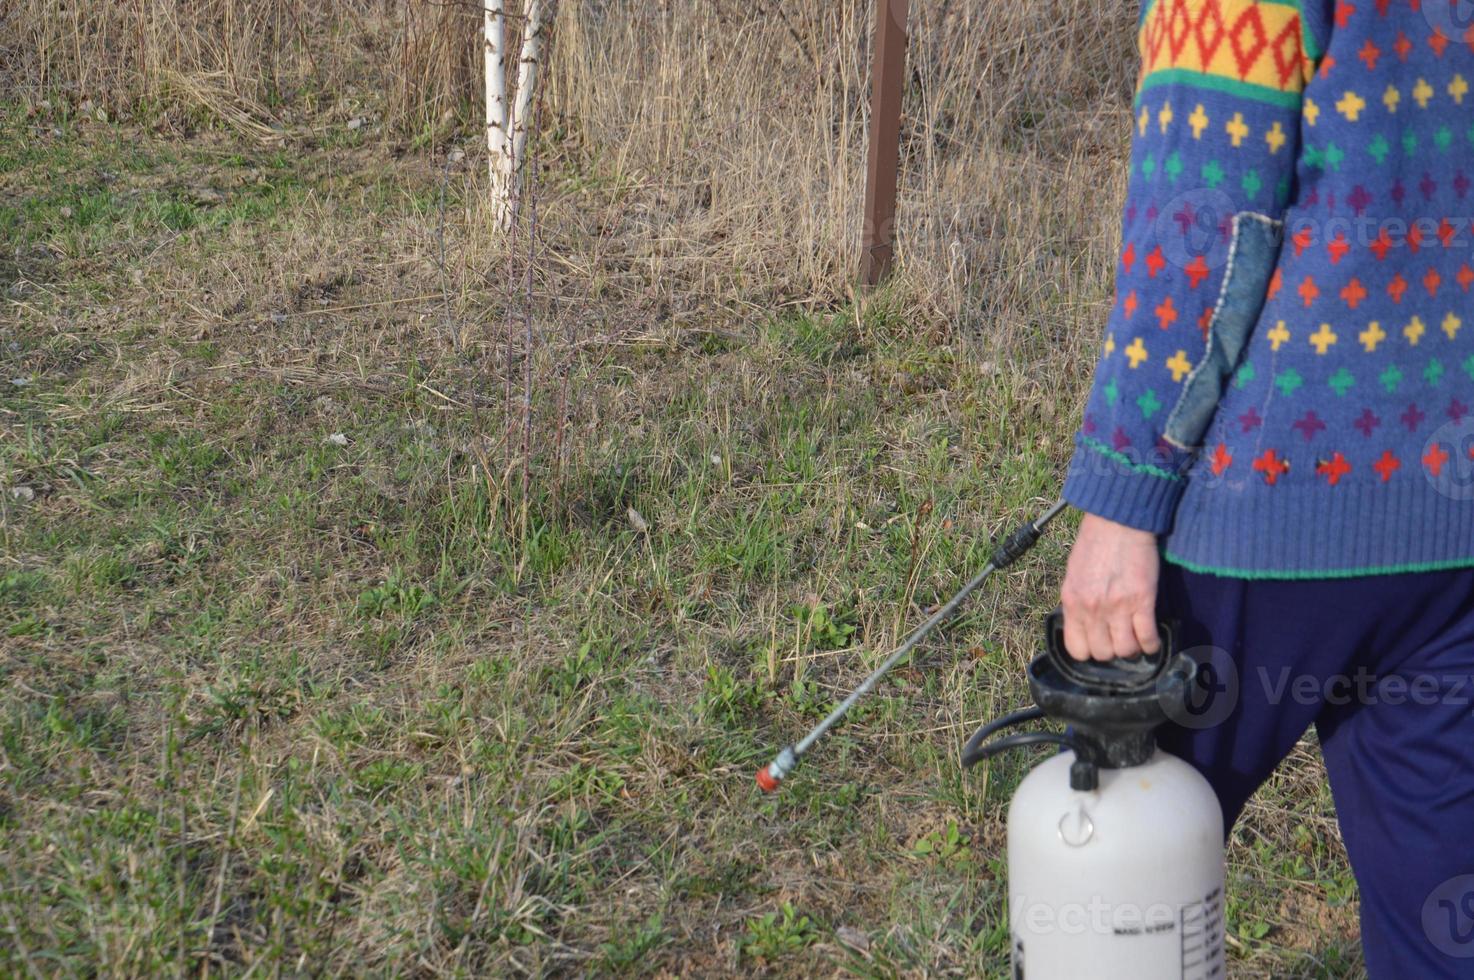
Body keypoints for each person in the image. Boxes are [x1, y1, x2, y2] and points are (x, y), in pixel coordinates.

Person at [1058, 0, 1474, 974]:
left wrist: (1120, 496)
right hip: (1450, 530)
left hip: (1271, 515)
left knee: (1113, 881)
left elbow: (1200, 230)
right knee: (1441, 918)